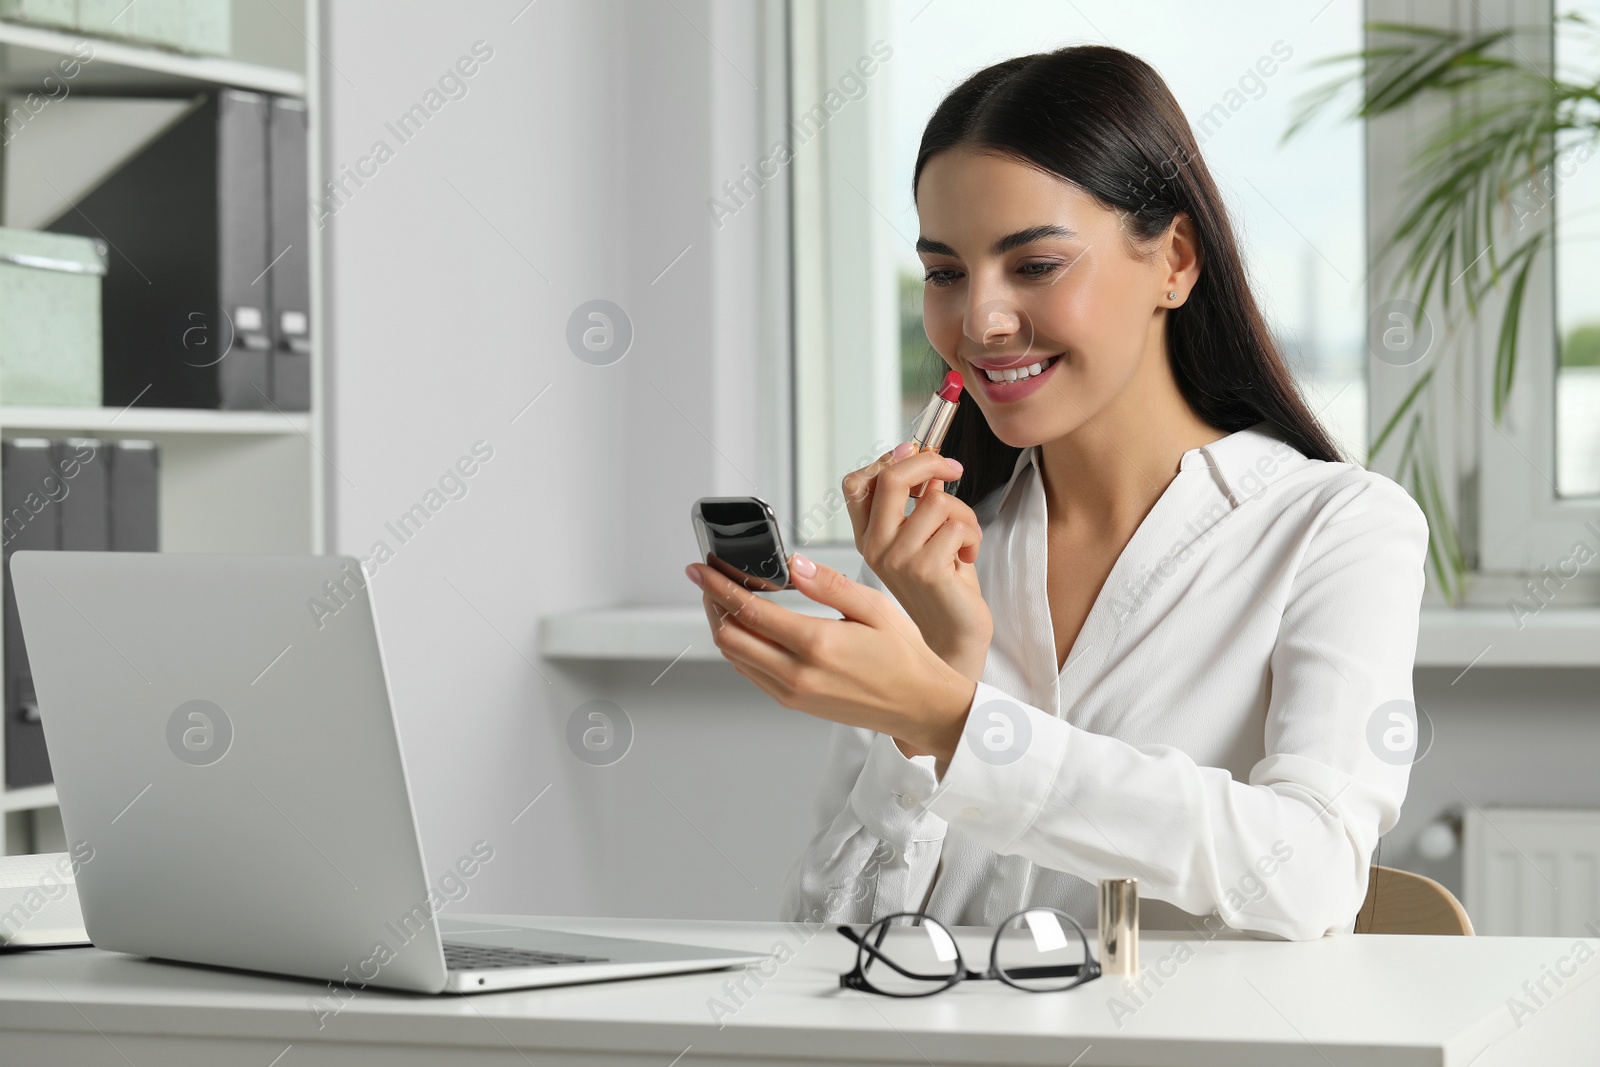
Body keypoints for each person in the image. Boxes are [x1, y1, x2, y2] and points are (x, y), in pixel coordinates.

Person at [684, 45, 1428, 941]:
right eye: (946, 272)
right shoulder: (945, 560)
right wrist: (943, 664)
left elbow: (1309, 873)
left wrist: (954, 721)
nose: (979, 322)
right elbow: (827, 938)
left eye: (1033, 265)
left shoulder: (1337, 528)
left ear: (1175, 262)